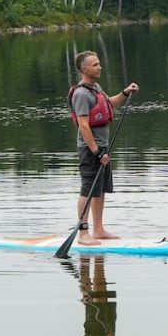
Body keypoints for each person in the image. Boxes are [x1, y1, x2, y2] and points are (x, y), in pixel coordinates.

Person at [68, 51, 139, 243]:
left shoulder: (95, 88)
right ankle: (83, 233)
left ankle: (98, 230)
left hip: (102, 148)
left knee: (99, 189)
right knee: (88, 189)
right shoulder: (82, 94)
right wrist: (96, 151)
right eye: (95, 64)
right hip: (90, 150)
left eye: (99, 64)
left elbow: (110, 104)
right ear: (84, 69)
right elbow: (83, 125)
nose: (100, 67)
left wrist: (125, 92)